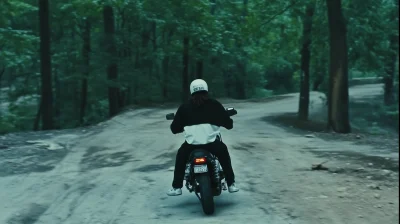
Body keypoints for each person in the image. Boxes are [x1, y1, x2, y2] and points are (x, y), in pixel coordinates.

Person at [167, 79, 239, 196]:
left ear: (191, 91)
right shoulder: (215, 105)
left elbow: (174, 129)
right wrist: (222, 119)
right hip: (212, 144)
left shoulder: (184, 108)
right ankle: (231, 184)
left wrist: (184, 125)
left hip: (191, 145)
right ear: (206, 89)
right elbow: (229, 125)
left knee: (181, 157)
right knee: (224, 154)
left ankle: (177, 187)